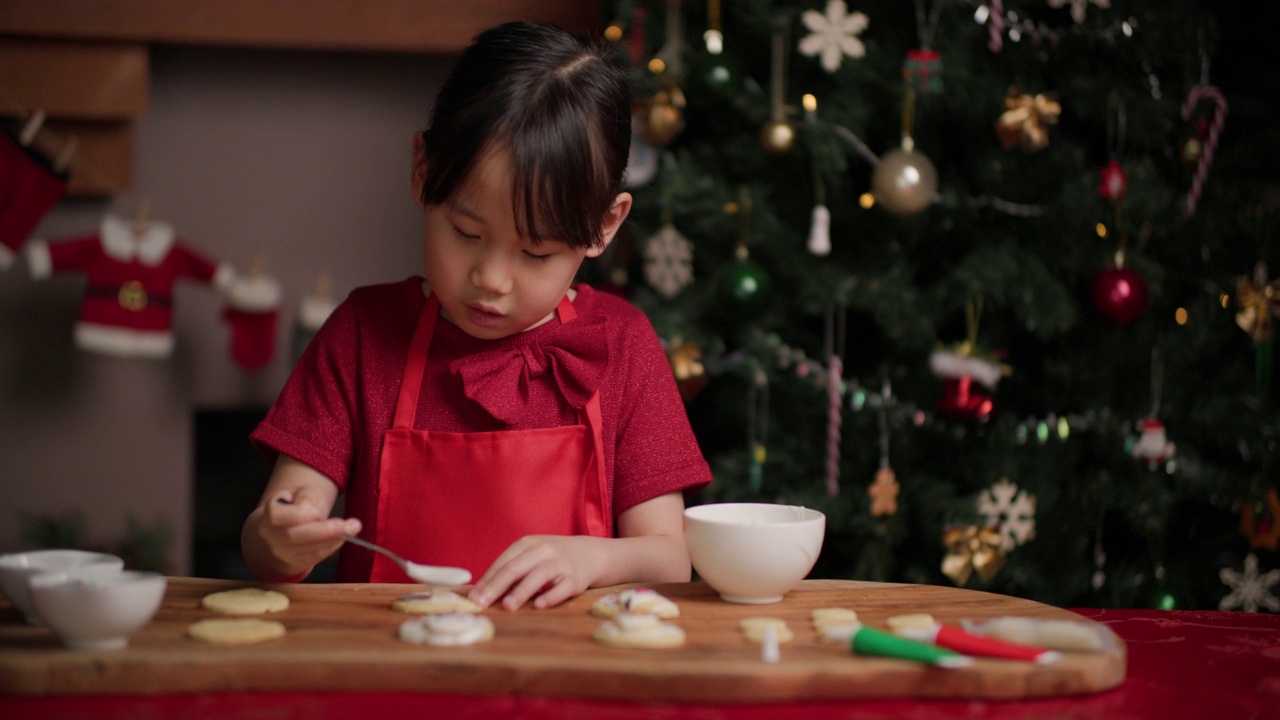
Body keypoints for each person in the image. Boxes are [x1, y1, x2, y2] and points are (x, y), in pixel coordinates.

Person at [241, 21, 712, 611]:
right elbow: (270, 538)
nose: (490, 279)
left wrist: (592, 558)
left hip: (565, 687)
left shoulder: (623, 344)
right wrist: (281, 540)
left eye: (535, 253)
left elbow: (671, 556)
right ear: (422, 172)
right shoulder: (362, 333)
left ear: (605, 225)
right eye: (465, 232)